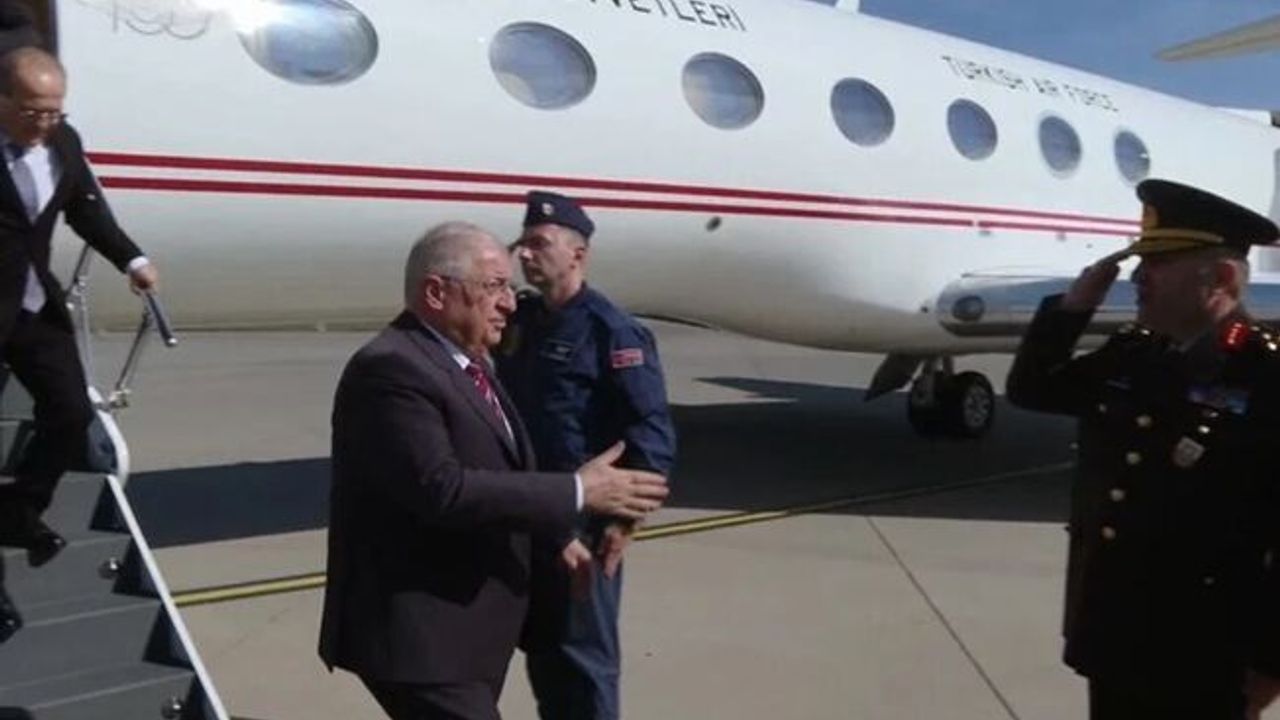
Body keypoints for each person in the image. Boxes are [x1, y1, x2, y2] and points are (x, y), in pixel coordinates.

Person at [318, 221, 669, 720]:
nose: (508, 303)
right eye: (494, 286)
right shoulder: (391, 370)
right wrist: (576, 491)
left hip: (467, 633)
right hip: (423, 641)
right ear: (436, 293)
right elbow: (443, 489)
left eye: (508, 287)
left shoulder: (469, 362)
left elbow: (500, 465)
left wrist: (552, 536)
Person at [1006, 178, 1280, 720]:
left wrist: (1271, 663)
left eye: (1159, 264)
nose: (1137, 279)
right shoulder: (1134, 354)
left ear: (1222, 279)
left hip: (1204, 654)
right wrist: (1072, 310)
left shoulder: (1265, 375)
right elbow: (1034, 390)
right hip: (1112, 636)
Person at [496, 191, 676, 720]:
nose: (526, 254)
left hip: (585, 525)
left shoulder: (611, 330)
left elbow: (650, 431)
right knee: (544, 654)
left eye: (539, 243)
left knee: (585, 661)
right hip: (535, 514)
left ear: (578, 254)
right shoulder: (522, 321)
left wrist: (624, 521)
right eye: (523, 244)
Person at [0, 47, 158, 573]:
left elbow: (86, 211)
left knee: (70, 412)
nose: (44, 124)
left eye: (54, 112)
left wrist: (132, 259)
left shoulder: (63, 142)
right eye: (32, 112)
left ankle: (19, 509)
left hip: (32, 305)